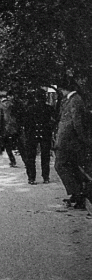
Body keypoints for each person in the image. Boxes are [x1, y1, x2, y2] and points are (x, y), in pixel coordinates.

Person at [54, 78, 89, 210]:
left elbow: (77, 123)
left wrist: (82, 139)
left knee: (60, 166)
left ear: (63, 88)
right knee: (70, 166)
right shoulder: (73, 99)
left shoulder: (75, 100)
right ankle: (77, 194)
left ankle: (77, 193)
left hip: (68, 141)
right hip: (67, 140)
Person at [19, 89, 55, 184]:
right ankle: (46, 177)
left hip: (32, 134)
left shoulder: (29, 108)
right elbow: (53, 121)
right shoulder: (49, 108)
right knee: (45, 156)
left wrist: (27, 134)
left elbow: (25, 123)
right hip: (45, 133)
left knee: (31, 157)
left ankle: (31, 178)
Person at [0, 90, 19, 167]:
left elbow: (0, 118)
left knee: (7, 145)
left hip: (5, 128)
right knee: (19, 144)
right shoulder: (12, 104)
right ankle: (26, 160)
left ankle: (12, 161)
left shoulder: (0, 106)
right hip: (14, 126)